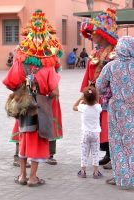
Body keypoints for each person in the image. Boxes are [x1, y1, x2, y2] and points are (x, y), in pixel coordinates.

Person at [3, 9, 63, 187]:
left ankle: (22, 175)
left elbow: (8, 83)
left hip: (24, 106)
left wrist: (21, 88)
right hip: (41, 107)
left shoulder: (20, 63)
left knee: (24, 137)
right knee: (38, 139)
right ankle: (33, 178)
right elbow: (55, 92)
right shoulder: (49, 66)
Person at [79, 8, 118, 169]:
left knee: (110, 124)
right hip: (96, 95)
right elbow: (88, 74)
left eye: (93, 33)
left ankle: (113, 154)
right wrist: (85, 91)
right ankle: (107, 153)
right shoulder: (95, 51)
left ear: (102, 33)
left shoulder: (115, 52)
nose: (91, 36)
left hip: (111, 95)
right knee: (97, 124)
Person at [96, 36, 134, 187]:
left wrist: (110, 92)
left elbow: (99, 87)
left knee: (118, 143)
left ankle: (122, 178)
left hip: (117, 111)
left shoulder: (111, 66)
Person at [73, 86, 103, 179]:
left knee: (84, 153)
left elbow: (74, 107)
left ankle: (83, 172)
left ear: (84, 98)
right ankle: (96, 172)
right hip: (96, 133)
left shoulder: (83, 107)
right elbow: (97, 104)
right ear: (95, 98)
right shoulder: (98, 107)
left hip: (85, 133)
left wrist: (80, 99)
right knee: (95, 153)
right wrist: (94, 99)